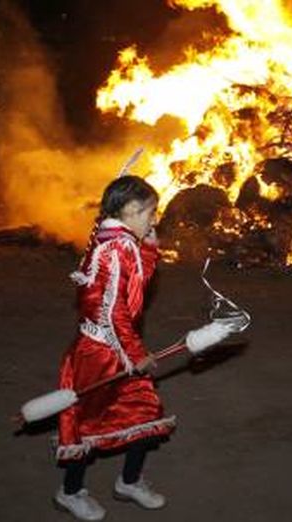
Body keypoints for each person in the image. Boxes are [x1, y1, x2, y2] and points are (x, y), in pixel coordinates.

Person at [52, 175, 174, 520]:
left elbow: (135, 284)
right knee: (88, 425)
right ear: (129, 211)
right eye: (149, 212)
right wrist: (135, 354)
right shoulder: (116, 247)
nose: (154, 218)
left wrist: (148, 248)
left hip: (116, 344)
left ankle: (129, 482)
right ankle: (70, 492)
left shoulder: (119, 239)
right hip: (100, 352)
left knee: (144, 410)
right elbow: (112, 309)